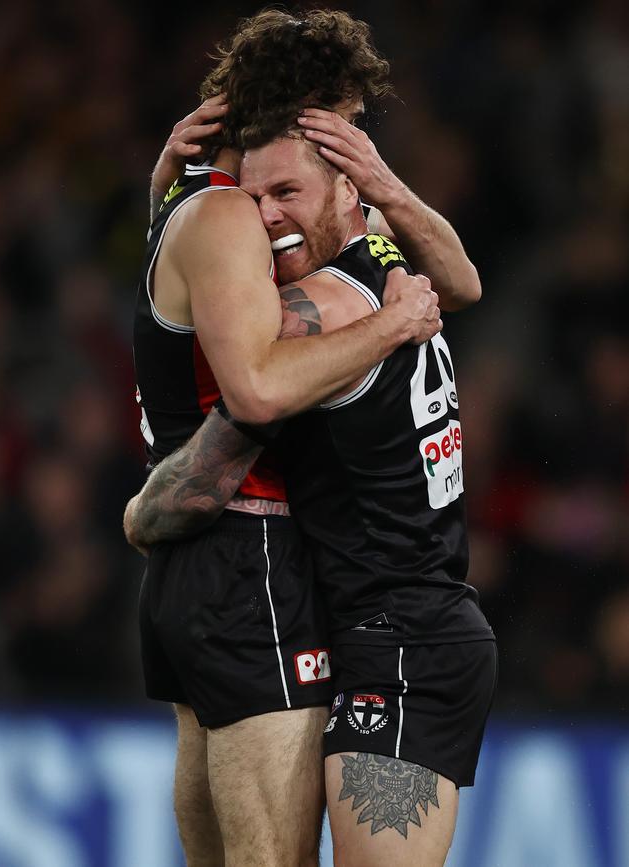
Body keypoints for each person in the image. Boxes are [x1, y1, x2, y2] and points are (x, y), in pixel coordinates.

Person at [127, 9, 482, 866]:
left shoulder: (338, 289)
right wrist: (175, 190)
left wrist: (147, 508)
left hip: (404, 629)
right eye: (349, 122)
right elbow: (458, 283)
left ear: (348, 187)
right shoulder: (368, 263)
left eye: (287, 192)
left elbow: (244, 386)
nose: (263, 214)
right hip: (326, 603)